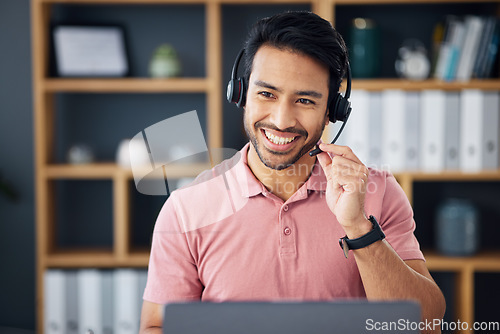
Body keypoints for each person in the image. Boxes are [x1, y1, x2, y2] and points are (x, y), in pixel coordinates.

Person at [140, 10, 445, 334]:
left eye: (304, 100)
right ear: (240, 94)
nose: (282, 120)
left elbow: (426, 325)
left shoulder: (377, 192)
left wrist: (358, 228)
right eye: (267, 94)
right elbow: (157, 326)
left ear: (333, 112)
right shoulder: (187, 207)